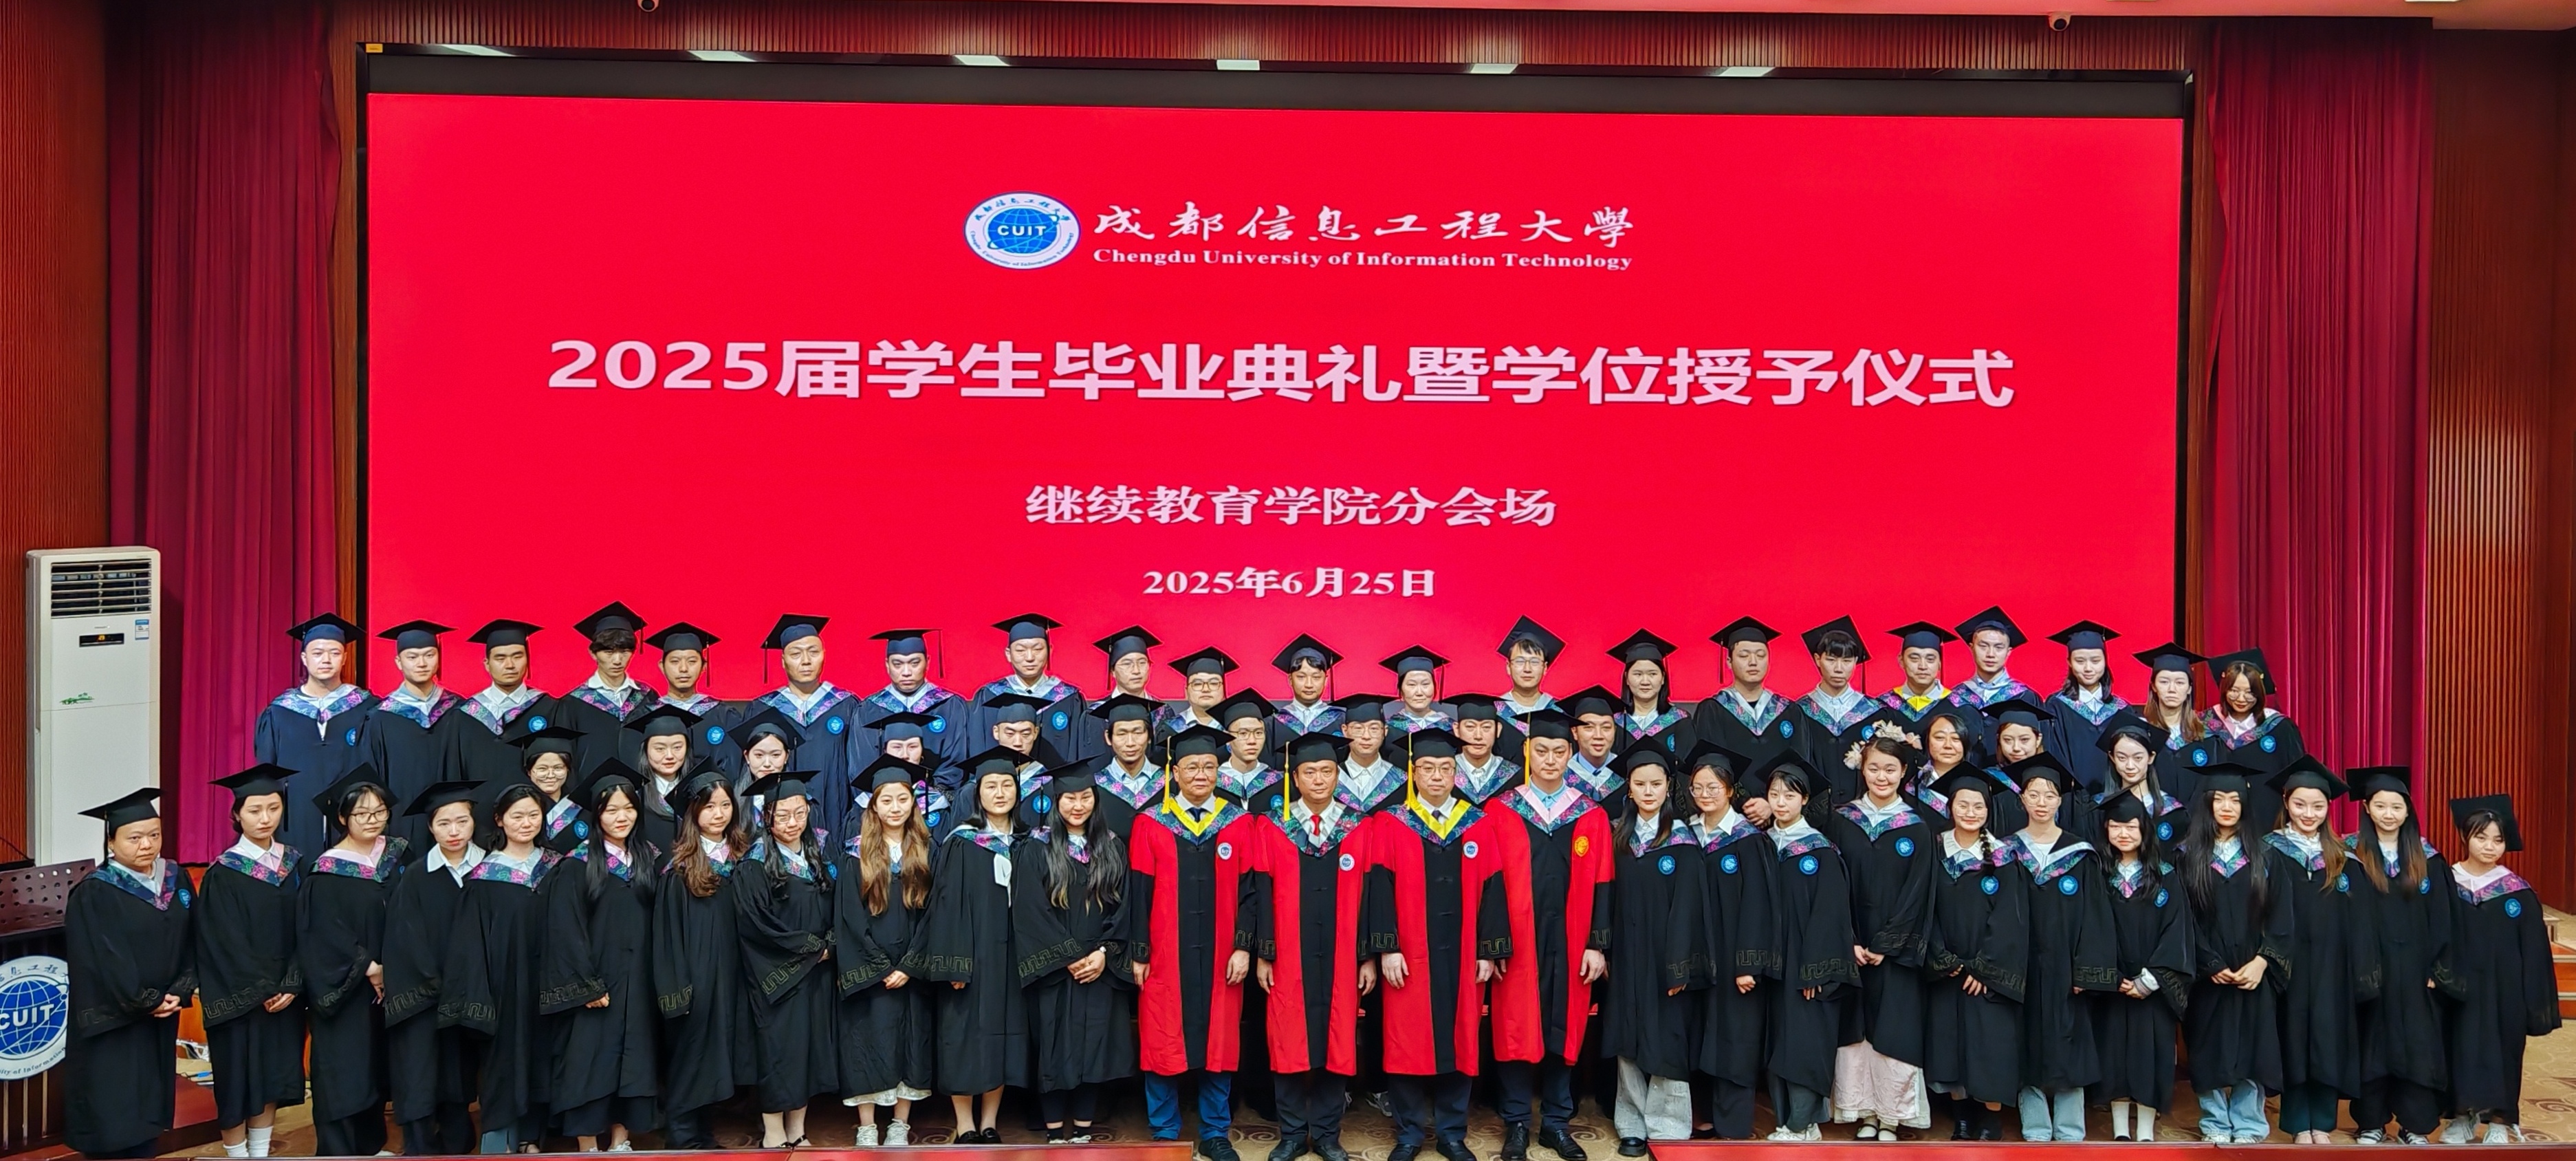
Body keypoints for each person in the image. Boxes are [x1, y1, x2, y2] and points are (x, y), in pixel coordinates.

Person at [1363, 728, 1509, 1161]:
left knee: (1461, 1038)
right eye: (1427, 768)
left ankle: (1451, 1133)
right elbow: (1379, 888)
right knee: (1405, 1039)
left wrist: (1487, 951)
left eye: (1446, 768)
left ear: (1456, 773)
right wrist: (1387, 947)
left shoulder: (1476, 823)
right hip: (1410, 954)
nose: (1437, 776)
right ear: (1414, 773)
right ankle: (1409, 1134)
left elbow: (1494, 887)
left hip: (1463, 954)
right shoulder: (1392, 822)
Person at [1128, 725, 1261, 1159]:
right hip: (1165, 954)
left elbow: (1250, 893)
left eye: (1208, 766)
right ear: (1176, 772)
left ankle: (1215, 1132)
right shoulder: (1151, 823)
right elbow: (1138, 893)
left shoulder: (1238, 823)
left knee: (1220, 1040)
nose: (1201, 774)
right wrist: (1140, 952)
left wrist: (1243, 947)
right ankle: (1165, 1131)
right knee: (1161, 1037)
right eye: (1191, 767)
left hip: (1223, 954)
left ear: (1219, 772)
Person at [1483, 707, 1610, 1161]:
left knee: (1564, 1027)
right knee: (1515, 1027)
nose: (1551, 759)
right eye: (1542, 751)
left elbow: (1604, 882)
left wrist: (1597, 944)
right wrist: (1494, 944)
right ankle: (1517, 1122)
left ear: (1571, 753)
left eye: (1559, 751)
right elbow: (1490, 881)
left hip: (1572, 941)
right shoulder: (1501, 811)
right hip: (1518, 941)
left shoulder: (1590, 814)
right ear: (1527, 752)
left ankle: (1556, 1122)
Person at [1244, 733, 1371, 1161]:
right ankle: (1294, 1134)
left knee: (1338, 1041)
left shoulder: (1359, 828)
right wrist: (1265, 953)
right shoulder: (1272, 827)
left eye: (1327, 771)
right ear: (1295, 778)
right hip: (1288, 955)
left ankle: (1329, 1135)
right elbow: (1261, 893)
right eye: (1310, 772)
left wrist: (1366, 956)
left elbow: (1371, 897)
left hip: (1342, 955)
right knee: (1287, 1041)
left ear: (1338, 776)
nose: (1319, 779)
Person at [908, 748, 1032, 1143]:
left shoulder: (1028, 841)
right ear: (978, 794)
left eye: (1007, 785)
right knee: (963, 1038)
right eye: (991, 786)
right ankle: (964, 1123)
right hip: (972, 959)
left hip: (1011, 958)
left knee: (1001, 1035)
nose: (1000, 793)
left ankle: (990, 1121)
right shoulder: (962, 842)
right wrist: (954, 964)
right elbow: (947, 906)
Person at [540, 762, 662, 1153]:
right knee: (588, 1063)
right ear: (596, 815)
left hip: (637, 981)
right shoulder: (577, 865)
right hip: (596, 984)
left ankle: (622, 1140)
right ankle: (588, 1144)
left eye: (628, 808)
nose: (621, 817)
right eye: (611, 810)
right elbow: (565, 930)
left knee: (633, 1061)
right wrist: (586, 985)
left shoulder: (648, 860)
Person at [65, 789, 193, 1160]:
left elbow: (194, 939)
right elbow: (105, 959)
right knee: (115, 1116)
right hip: (115, 1022)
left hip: (161, 1016)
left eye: (154, 834)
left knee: (149, 1113)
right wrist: (147, 1001)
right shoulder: (95, 892)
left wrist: (181, 988)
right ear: (111, 842)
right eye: (134, 838)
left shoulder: (176, 879)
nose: (147, 845)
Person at [1014, 768, 1139, 1142]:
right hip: (1055, 968)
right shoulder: (1037, 848)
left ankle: (1084, 1128)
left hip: (1099, 966)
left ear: (1095, 800)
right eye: (1069, 798)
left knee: (1093, 1048)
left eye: (1086, 797)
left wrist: (1103, 953)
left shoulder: (1111, 846)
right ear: (1056, 802)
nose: (1078, 805)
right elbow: (1031, 910)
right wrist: (1068, 956)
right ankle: (1055, 1131)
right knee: (1053, 1047)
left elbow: (1125, 907)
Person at [1824, 728, 1934, 1141]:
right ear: (1862, 769)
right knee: (1856, 1029)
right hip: (1852, 944)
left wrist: (1887, 944)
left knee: (1894, 1029)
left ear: (1904, 772)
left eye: (1890, 769)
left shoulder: (1917, 828)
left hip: (1896, 950)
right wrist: (1849, 939)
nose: (1882, 777)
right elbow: (1833, 886)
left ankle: (1891, 1116)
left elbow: (1918, 894)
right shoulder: (1842, 821)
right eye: (1874, 769)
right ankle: (1864, 1112)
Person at [441, 781, 560, 1153]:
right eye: (517, 816)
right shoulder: (484, 879)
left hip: (549, 983)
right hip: (503, 987)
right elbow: (469, 946)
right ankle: (498, 1142)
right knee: (504, 1061)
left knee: (543, 1058)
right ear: (499, 820)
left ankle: (532, 1138)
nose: (526, 823)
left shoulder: (557, 868)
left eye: (534, 815)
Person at [2003, 752, 2117, 1142]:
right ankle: (2035, 1125)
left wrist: (2087, 969)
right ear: (2022, 799)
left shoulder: (2079, 854)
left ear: (2060, 800)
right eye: (2033, 794)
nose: (2041, 802)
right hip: (2021, 968)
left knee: (2071, 1042)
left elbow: (2096, 916)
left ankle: (2069, 1128)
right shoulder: (2006, 852)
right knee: (2025, 1040)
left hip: (2067, 969)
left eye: (2049, 795)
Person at [1599, 743, 1705, 1155]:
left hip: (1666, 956)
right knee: (1626, 1035)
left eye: (1656, 784)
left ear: (1668, 787)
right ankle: (1631, 1122)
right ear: (1629, 787)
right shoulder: (1617, 837)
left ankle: (1668, 1125)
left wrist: (1679, 963)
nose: (1648, 792)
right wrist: (1605, 948)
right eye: (1640, 784)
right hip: (1626, 953)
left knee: (1667, 1037)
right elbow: (1605, 897)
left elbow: (1689, 908)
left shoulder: (1683, 840)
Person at [198, 765, 307, 1158]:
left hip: (285, 996)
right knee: (238, 1079)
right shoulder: (224, 872)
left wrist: (293, 981)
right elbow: (221, 940)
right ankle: (236, 1154)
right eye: (255, 810)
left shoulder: (294, 864)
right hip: (240, 997)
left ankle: (259, 1153)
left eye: (273, 808)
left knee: (272, 1076)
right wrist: (264, 988)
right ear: (237, 815)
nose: (265, 819)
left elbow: (309, 926)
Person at [2260, 758, 2370, 1145]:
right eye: (2300, 804)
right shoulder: (2269, 851)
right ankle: (2296, 1122)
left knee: (2328, 1036)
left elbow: (2360, 920)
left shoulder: (2344, 858)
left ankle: (2321, 1121)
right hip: (2287, 964)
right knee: (2291, 1035)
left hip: (2332, 966)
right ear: (2286, 802)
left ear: (2328, 808)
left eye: (2318, 806)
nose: (2309, 813)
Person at [2438, 794, 2560, 1144]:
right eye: (2481, 837)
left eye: (2498, 840)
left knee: (2504, 1049)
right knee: (2458, 1046)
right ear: (2465, 837)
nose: (2490, 846)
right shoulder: (2447, 883)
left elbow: (2534, 952)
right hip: (2458, 984)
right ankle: (2461, 1117)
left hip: (2505, 988)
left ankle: (2500, 1120)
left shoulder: (2517, 892)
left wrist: (2531, 997)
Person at [298, 768, 406, 1156]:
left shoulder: (397, 856)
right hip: (348, 988)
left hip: (393, 982)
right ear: (343, 818)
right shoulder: (327, 871)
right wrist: (369, 967)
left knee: (377, 1063)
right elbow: (323, 933)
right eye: (362, 813)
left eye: (379, 812)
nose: (372, 820)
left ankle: (371, 1145)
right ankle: (338, 1149)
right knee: (345, 1066)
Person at [2179, 764, 2288, 1144]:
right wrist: (2208, 962)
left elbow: (2282, 916)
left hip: (2253, 972)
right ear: (2207, 804)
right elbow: (2182, 918)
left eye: (2235, 800)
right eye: (2219, 799)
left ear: (2245, 804)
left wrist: (2262, 962)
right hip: (2207, 975)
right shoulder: (2187, 856)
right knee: (2207, 1047)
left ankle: (2249, 1123)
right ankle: (2214, 1121)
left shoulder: (2266, 856)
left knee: (2254, 1047)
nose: (2227, 807)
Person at [651, 767, 755, 1149]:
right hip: (696, 978)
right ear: (693, 812)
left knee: (716, 1055)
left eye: (725, 805)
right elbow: (666, 936)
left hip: (733, 974)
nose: (719, 814)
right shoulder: (678, 868)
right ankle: (681, 1135)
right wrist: (678, 988)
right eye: (709, 807)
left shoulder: (744, 857)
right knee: (691, 1053)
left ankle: (703, 1132)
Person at [1755, 750, 1857, 1142]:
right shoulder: (1763, 844)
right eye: (1774, 795)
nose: (1780, 803)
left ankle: (1804, 1123)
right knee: (1777, 1040)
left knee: (1803, 1042)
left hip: (1804, 964)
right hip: (1772, 963)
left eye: (1790, 795)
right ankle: (1785, 1120)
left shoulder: (1819, 850)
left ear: (1805, 800)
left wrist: (1816, 971)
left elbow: (1831, 917)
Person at [836, 757, 936, 1147]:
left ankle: (899, 1123)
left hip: (911, 968)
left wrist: (910, 965)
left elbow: (934, 915)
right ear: (874, 806)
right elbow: (849, 917)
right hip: (871, 971)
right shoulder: (855, 854)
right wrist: (880, 967)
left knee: (909, 1042)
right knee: (867, 1041)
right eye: (887, 800)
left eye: (903, 799)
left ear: (913, 803)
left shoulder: (927, 850)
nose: (896, 807)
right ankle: (866, 1125)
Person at [2344, 766, 2447, 1145]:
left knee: (2416, 1044)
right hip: (2370, 968)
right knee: (2371, 1040)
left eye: (2397, 807)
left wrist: (2438, 966)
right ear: (2367, 808)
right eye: (2380, 806)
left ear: (2408, 811)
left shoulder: (2428, 858)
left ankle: (2414, 1124)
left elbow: (2443, 917)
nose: (2389, 814)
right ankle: (2370, 1122)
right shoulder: (2350, 855)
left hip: (2416, 970)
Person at [1919, 768, 2022, 1142]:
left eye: (1978, 806)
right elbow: (1925, 909)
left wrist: (1983, 968)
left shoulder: (2004, 856)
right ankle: (1961, 1117)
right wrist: (1942, 958)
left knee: (1989, 1045)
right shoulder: (1934, 849)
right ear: (1950, 808)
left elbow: (2010, 919)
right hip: (1946, 968)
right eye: (1963, 805)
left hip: (1985, 973)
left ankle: (1990, 1120)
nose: (1970, 812)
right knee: (1950, 1043)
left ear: (1988, 810)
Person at [736, 772, 839, 1147]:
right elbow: (756, 924)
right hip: (777, 975)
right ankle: (774, 1132)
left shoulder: (819, 852)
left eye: (800, 813)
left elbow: (839, 903)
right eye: (783, 815)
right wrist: (812, 947)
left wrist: (832, 944)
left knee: (808, 1049)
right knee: (778, 1049)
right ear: (767, 817)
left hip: (818, 970)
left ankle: (798, 1128)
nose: (793, 822)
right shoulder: (755, 861)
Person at [382, 780, 484, 1155]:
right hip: (425, 998)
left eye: (462, 821)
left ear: (474, 822)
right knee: (420, 1071)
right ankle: (420, 1148)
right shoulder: (415, 875)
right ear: (430, 827)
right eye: (444, 823)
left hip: (474, 994)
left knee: (459, 1072)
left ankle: (458, 1143)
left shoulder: (491, 869)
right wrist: (433, 983)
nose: (454, 831)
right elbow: (404, 938)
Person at [1681, 743, 1773, 1142]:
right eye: (1698, 787)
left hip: (1733, 956)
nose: (1705, 794)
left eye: (1714, 787)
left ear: (1731, 790)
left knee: (1734, 1036)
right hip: (1695, 955)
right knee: (1698, 1032)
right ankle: (1702, 1117)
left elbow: (1759, 905)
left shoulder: (1748, 839)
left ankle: (1733, 1124)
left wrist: (1748, 963)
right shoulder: (1685, 834)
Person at [2091, 791, 2190, 1144]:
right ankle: (2120, 1128)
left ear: (2145, 830)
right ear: (2106, 830)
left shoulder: (2166, 876)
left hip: (2153, 985)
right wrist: (2113, 975)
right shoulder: (2097, 874)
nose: (2124, 834)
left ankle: (2146, 1128)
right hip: (2114, 984)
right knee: (2114, 1053)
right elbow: (2091, 928)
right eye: (2116, 827)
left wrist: (2150, 979)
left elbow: (2177, 929)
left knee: (2151, 1055)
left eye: (2131, 827)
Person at [259, 614, 380, 859]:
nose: (326, 660)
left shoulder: (367, 708)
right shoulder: (279, 712)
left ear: (345, 658)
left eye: (335, 653)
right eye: (317, 653)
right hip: (296, 816)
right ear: (304, 658)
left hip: (352, 813)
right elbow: (266, 772)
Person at [752, 614, 866, 842]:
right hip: (783, 822)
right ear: (783, 661)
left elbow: (858, 769)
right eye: (796, 654)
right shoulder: (764, 708)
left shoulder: (847, 705)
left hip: (837, 815)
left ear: (824, 655)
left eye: (813, 652)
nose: (806, 661)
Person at [364, 621, 466, 849]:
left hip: (454, 824)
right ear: (398, 662)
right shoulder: (380, 717)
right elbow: (373, 780)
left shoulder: (459, 710)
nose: (422, 663)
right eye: (412, 657)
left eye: (429, 655)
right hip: (401, 823)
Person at [2200, 649, 2307, 840]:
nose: (2241, 699)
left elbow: (2296, 777)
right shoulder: (2203, 724)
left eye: (2250, 692)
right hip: (2215, 825)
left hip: (2266, 821)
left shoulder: (2279, 727)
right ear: (2224, 689)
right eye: (2234, 691)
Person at [970, 612, 1091, 762]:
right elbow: (978, 750)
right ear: (1008, 654)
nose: (1030, 658)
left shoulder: (1069, 698)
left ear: (1050, 651)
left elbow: (1078, 754)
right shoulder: (989, 695)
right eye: (1021, 651)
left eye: (1037, 649)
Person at [559, 603, 659, 777]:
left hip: (641, 791)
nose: (618, 660)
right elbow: (566, 760)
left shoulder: (647, 696)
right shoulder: (572, 704)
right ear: (593, 653)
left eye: (625, 651)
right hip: (591, 790)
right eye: (609, 652)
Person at [1690, 618, 1803, 768]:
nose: (1753, 662)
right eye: (1744, 656)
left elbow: (1801, 765)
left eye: (1761, 655)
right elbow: (1710, 767)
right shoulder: (1713, 710)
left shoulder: (1789, 711)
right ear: (1729, 661)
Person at [455, 618, 556, 784]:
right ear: (487, 664)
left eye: (517, 656)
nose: (510, 665)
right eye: (500, 658)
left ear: (528, 659)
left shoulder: (550, 708)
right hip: (479, 800)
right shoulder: (465, 715)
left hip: (533, 800)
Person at [859, 628, 970, 772]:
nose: (906, 672)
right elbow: (863, 766)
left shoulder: (949, 705)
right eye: (898, 664)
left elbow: (955, 764)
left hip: (937, 786)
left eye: (915, 663)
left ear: (927, 662)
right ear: (887, 664)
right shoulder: (869, 710)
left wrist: (929, 787)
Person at [1793, 617, 1880, 791]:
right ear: (1818, 659)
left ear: (1855, 661)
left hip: (1863, 803)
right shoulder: (1799, 711)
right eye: (1831, 660)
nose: (1839, 669)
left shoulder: (1874, 712)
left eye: (1847, 661)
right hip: (1814, 802)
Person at [2042, 621, 2130, 791]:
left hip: (2114, 797)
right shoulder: (2057, 706)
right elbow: (2055, 755)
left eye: (2096, 661)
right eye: (2080, 661)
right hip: (2072, 798)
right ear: (2069, 662)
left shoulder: (2122, 709)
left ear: (2105, 661)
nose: (2088, 668)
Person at [2093, 711, 2187, 849]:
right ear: (2112, 758)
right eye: (2122, 758)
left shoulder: (2171, 811)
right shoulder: (2098, 808)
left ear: (2151, 757)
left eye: (2138, 758)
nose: (2130, 766)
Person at [645, 622, 733, 765]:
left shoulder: (723, 715)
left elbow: (732, 764)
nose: (683, 669)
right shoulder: (648, 715)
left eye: (692, 661)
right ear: (662, 666)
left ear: (704, 667)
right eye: (675, 662)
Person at [2130, 642, 2207, 801]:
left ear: (2189, 689)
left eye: (2180, 683)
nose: (2172, 689)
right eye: (2164, 682)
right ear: (2154, 686)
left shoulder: (2205, 735)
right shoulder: (2140, 732)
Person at [625, 704, 703, 853]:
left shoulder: (700, 789)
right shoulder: (634, 794)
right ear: (646, 751)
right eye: (660, 749)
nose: (669, 756)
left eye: (677, 747)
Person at [1089, 693, 1166, 836]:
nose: (1130, 743)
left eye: (1138, 733)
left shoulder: (1169, 784)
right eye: (1122, 734)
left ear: (1150, 736)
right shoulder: (1093, 787)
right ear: (1108, 737)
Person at [1947, 607, 2036, 726]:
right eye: (1983, 646)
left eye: (1998, 648)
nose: (1990, 654)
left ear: (2008, 652)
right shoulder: (1956, 697)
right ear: (1972, 648)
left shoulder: (2025, 696)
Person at [509, 724, 591, 853]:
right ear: (529, 772)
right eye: (542, 769)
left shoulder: (581, 806)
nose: (551, 775)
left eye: (558, 768)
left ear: (567, 770)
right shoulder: (518, 806)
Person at [1606, 630, 1689, 757]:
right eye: (1638, 674)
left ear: (1663, 678)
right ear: (1627, 678)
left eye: (1652, 674)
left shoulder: (1680, 720)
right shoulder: (1615, 722)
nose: (1645, 681)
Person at [1215, 691, 1286, 812]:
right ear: (1227, 738)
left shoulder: (1280, 781)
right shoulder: (1212, 782)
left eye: (1259, 733)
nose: (1252, 741)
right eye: (1243, 733)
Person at [1446, 695, 1522, 805]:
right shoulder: (1445, 772)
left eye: (1486, 727)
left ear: (1498, 729)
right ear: (1457, 729)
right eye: (1470, 727)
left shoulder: (1516, 775)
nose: (1478, 736)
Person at [1269, 635, 1347, 739]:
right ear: (1290, 680)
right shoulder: (1274, 723)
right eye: (1301, 677)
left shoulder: (1342, 719)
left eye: (1316, 677)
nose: (1309, 685)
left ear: (1326, 680)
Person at [1335, 696, 1404, 814]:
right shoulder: (1330, 780)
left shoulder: (1400, 780)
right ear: (1345, 731)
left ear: (1385, 731)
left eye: (1374, 728)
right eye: (1358, 728)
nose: (1366, 736)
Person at [1562, 686, 1626, 812]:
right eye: (1589, 728)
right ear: (1575, 732)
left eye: (1606, 728)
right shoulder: (1561, 775)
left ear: (1615, 731)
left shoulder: (1627, 773)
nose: (1598, 736)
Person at [1494, 617, 1563, 725]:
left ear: (1545, 668)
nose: (1527, 669)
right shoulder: (1495, 711)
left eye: (1534, 662)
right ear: (1508, 667)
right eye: (1520, 661)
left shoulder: (1559, 712)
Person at [1159, 647, 1238, 737]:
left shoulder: (1235, 728)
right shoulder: (1170, 729)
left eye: (1214, 683)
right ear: (1186, 692)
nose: (1206, 689)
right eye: (1198, 684)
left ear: (1223, 690)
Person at [1383, 647, 1454, 734]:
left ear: (1435, 687)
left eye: (1425, 684)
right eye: (1412, 685)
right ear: (1400, 689)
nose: (1419, 692)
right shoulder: (1388, 729)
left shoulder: (1449, 727)